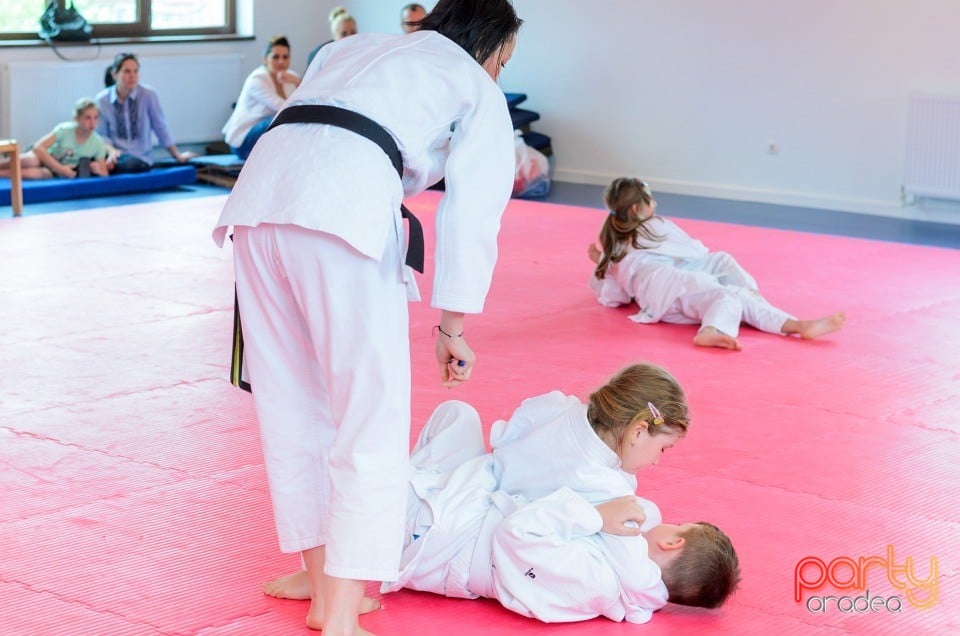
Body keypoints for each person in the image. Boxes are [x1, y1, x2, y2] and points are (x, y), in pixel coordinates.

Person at [212, 1, 523, 633]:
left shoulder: (352, 48)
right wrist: (452, 327)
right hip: (342, 217)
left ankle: (319, 575)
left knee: (294, 405)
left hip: (258, 203)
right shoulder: (473, 80)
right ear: (501, 50)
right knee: (369, 417)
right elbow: (474, 208)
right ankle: (342, 612)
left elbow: (364, 136)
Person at [265, 391, 740, 622]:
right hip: (472, 507)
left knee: (358, 463)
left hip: (440, 539)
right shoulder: (621, 555)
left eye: (674, 524)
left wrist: (595, 515)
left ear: (673, 541)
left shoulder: (595, 583)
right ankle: (334, 565)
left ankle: (330, 570)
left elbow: (518, 536)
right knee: (458, 415)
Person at [589, 177, 846, 350]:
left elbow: (615, 297)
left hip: (677, 281)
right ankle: (711, 330)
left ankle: (797, 325)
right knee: (726, 296)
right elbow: (691, 252)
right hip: (668, 288)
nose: (654, 204)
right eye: (650, 201)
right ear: (636, 209)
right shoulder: (647, 230)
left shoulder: (616, 243)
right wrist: (605, 261)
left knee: (724, 268)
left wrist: (602, 261)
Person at [95, 53, 196, 174]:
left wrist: (177, 155)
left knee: (133, 165)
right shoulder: (102, 100)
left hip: (142, 159)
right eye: (127, 71)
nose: (132, 76)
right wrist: (111, 152)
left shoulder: (148, 95)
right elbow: (102, 135)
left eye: (135, 71)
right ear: (114, 74)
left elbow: (160, 127)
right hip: (116, 158)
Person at [222, 36, 301, 160]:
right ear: (265, 59)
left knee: (294, 119)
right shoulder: (257, 80)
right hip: (243, 142)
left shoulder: (292, 78)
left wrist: (298, 82)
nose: (281, 61)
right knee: (281, 118)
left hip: (267, 138)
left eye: (285, 57)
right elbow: (284, 108)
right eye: (276, 57)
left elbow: (306, 103)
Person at [0, 98, 108, 180]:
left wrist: (98, 170)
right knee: (31, 161)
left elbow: (105, 172)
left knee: (34, 174)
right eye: (87, 118)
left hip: (54, 172)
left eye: (95, 117)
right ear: (76, 118)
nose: (92, 122)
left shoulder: (97, 142)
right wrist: (60, 168)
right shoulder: (65, 130)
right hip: (45, 158)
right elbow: (38, 147)